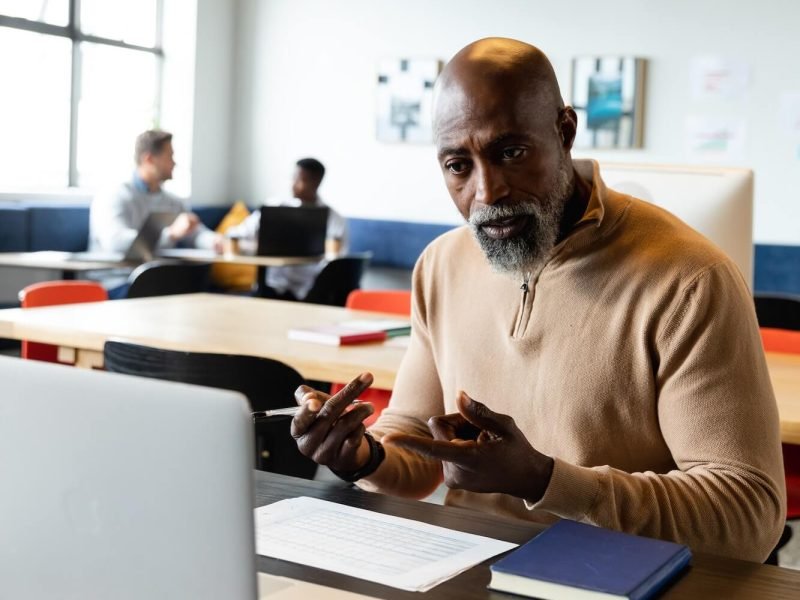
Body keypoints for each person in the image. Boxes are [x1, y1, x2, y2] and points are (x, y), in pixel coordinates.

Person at [288, 38, 785, 562]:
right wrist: (359, 455)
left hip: (622, 576)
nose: (487, 192)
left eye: (511, 153)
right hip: (470, 569)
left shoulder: (689, 279)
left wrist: (546, 479)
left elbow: (748, 516)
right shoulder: (440, 265)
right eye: (459, 165)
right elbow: (414, 449)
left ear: (565, 132)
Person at [226, 158, 348, 300]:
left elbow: (336, 261)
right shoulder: (275, 208)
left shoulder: (333, 219)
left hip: (311, 291)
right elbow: (238, 233)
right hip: (272, 286)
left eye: (300, 180)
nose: (294, 185)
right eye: (293, 179)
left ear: (316, 182)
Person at [89, 129, 221, 253]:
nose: (174, 163)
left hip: (155, 273)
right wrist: (171, 234)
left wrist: (216, 242)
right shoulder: (113, 195)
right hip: (114, 275)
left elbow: (195, 233)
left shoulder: (173, 202)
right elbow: (116, 243)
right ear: (149, 159)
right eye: (169, 156)